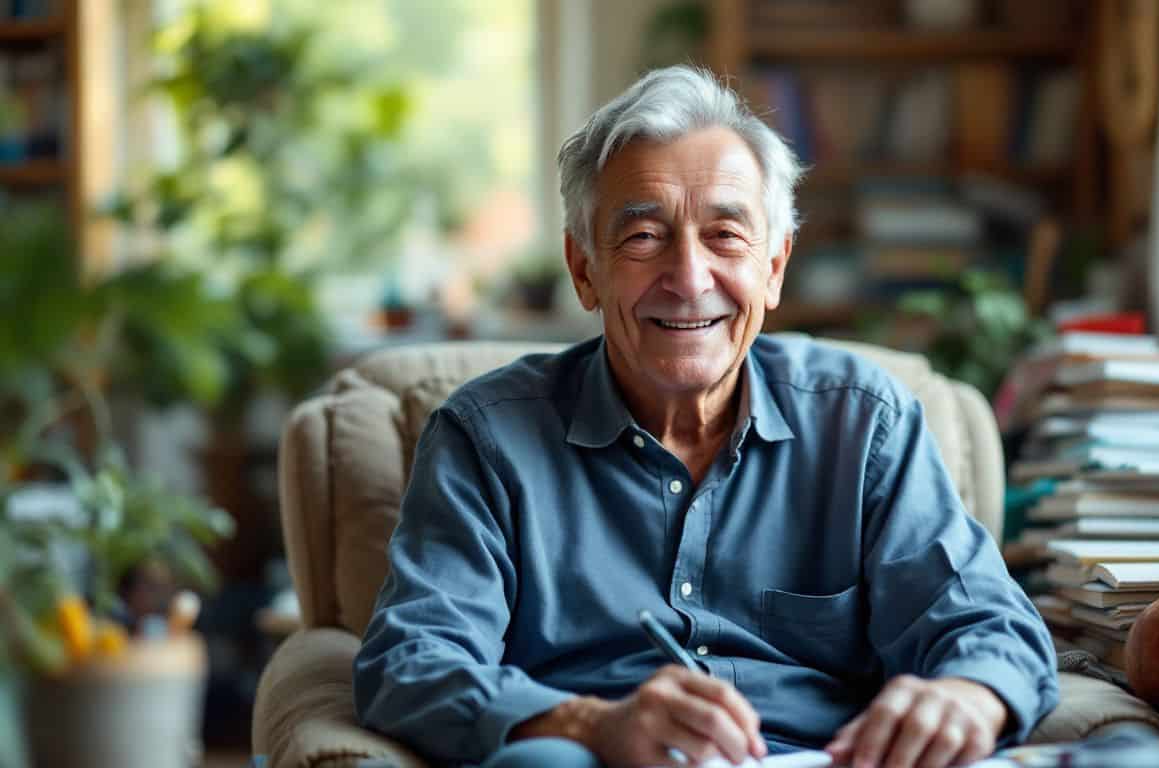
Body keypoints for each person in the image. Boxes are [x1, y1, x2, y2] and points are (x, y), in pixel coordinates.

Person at [354, 65, 1058, 768]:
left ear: (775, 267)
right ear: (584, 268)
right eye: (642, 239)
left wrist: (967, 695)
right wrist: (591, 724)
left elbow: (989, 623)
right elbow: (412, 659)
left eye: (725, 235)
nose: (689, 279)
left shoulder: (863, 423)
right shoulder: (487, 437)